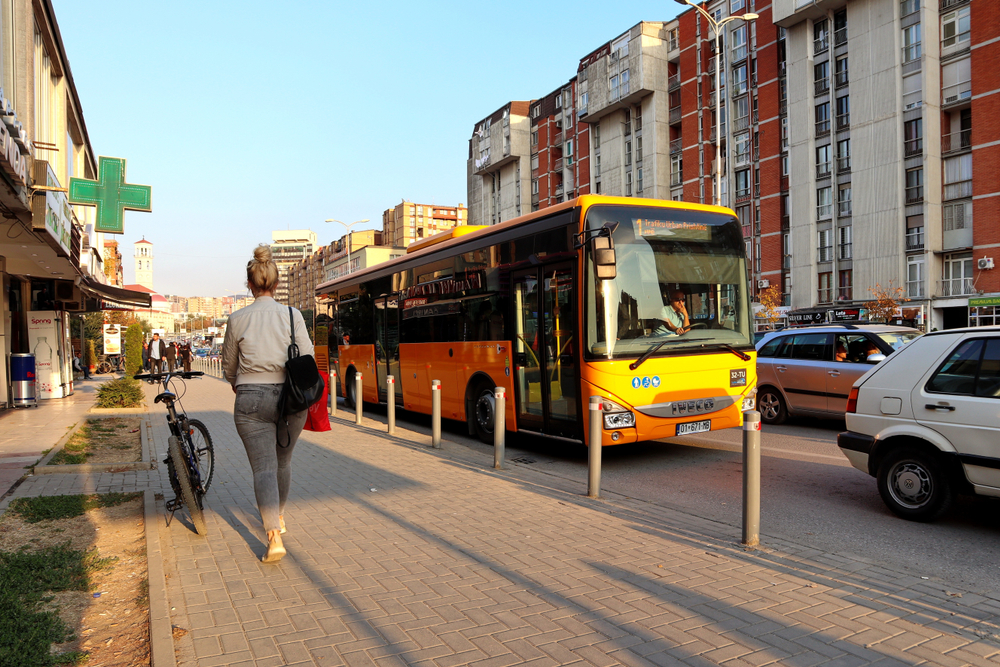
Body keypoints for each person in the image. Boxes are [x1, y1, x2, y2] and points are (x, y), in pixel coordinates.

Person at [223, 244, 313, 563]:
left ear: (250, 284)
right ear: (276, 284)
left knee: (263, 468)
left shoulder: (236, 319)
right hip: (291, 399)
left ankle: (273, 537)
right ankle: (280, 517)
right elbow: (308, 358)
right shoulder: (292, 316)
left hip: (250, 398)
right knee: (283, 462)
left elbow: (229, 368)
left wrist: (241, 387)